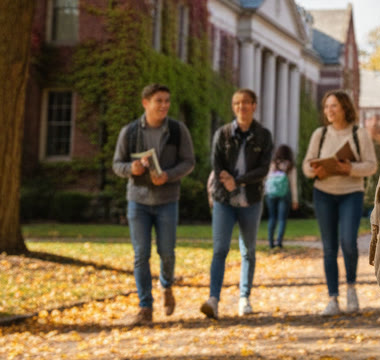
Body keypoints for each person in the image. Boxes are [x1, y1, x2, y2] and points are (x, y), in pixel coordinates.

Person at [112, 83, 195, 325]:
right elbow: (117, 164)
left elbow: (189, 162)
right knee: (141, 255)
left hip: (167, 200)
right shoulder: (129, 132)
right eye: (159, 101)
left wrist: (168, 175)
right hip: (138, 201)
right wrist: (132, 168)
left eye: (167, 101)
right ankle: (145, 307)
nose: (164, 105)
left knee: (166, 252)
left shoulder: (178, 131)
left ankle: (166, 286)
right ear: (145, 103)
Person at [303, 90, 377, 316]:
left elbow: (372, 165)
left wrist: (350, 169)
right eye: (326, 107)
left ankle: (352, 288)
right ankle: (333, 298)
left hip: (351, 194)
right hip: (323, 193)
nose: (329, 111)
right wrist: (316, 171)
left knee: (348, 242)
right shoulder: (320, 134)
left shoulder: (359, 134)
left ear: (345, 107)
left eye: (333, 106)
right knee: (329, 247)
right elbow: (306, 166)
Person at [201, 88, 274, 319]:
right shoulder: (222, 134)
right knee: (220, 248)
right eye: (237, 103)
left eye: (246, 103)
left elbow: (263, 169)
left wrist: (239, 181)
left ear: (254, 106)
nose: (241, 107)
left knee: (248, 250)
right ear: (233, 107)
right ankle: (213, 299)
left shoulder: (263, 135)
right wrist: (227, 182)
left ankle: (245, 297)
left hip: (251, 199)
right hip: (224, 198)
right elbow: (216, 163)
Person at [264, 144, 299, 249]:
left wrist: (264, 193)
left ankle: (270, 242)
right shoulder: (291, 166)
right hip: (284, 194)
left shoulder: (273, 164)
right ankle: (279, 242)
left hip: (271, 194)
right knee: (282, 219)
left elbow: (266, 180)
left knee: (272, 218)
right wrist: (295, 200)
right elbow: (293, 184)